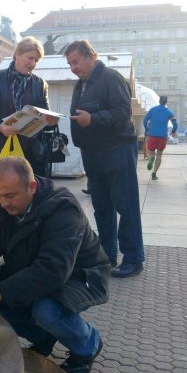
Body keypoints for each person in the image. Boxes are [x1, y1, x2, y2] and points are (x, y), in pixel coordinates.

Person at [0, 157, 110, 373]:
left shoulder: (64, 208)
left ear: (32, 187)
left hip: (80, 273)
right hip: (31, 268)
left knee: (46, 311)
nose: (3, 203)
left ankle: (88, 344)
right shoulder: (1, 206)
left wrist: (0, 292)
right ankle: (43, 337)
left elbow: (54, 269)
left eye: (10, 196)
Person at [64, 39, 145, 278]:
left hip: (117, 149)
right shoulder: (81, 84)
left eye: (76, 62)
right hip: (92, 153)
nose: (73, 68)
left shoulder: (111, 78)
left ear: (90, 56)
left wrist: (94, 119)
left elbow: (123, 113)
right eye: (70, 64)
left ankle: (133, 258)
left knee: (125, 205)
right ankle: (107, 256)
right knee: (101, 207)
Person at [0, 37, 59, 198]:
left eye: (37, 60)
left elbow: (45, 114)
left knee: (27, 198)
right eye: (30, 58)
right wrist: (0, 127)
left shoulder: (40, 84)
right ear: (17, 54)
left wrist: (50, 121)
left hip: (29, 154)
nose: (33, 63)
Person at [143, 95, 178, 180]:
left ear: (159, 101)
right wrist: (173, 131)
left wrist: (147, 129)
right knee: (159, 154)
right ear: (166, 102)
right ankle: (154, 173)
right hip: (162, 136)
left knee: (150, 152)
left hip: (152, 135)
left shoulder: (152, 110)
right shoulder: (169, 112)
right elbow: (175, 124)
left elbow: (145, 120)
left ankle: (151, 158)